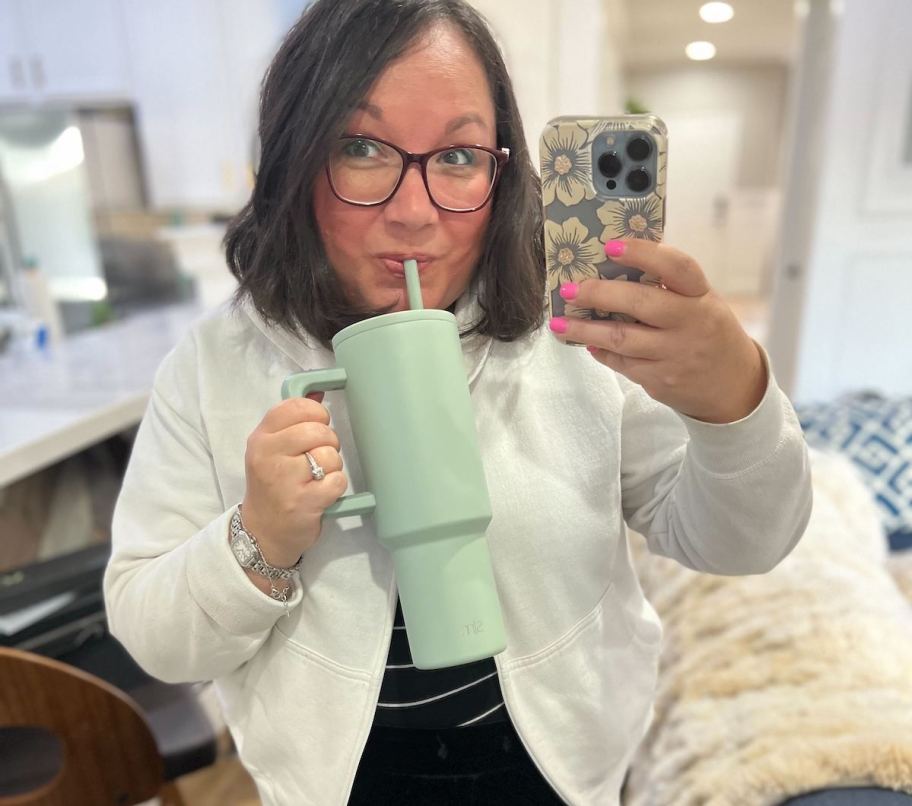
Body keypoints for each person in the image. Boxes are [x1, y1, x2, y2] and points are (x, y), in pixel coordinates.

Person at [103, 1, 813, 803]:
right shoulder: (213, 366)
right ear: (295, 160)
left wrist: (733, 406)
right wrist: (257, 540)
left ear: (501, 170)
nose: (414, 211)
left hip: (560, 773)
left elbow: (742, 543)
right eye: (361, 148)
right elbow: (153, 634)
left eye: (459, 156)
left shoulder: (578, 334)